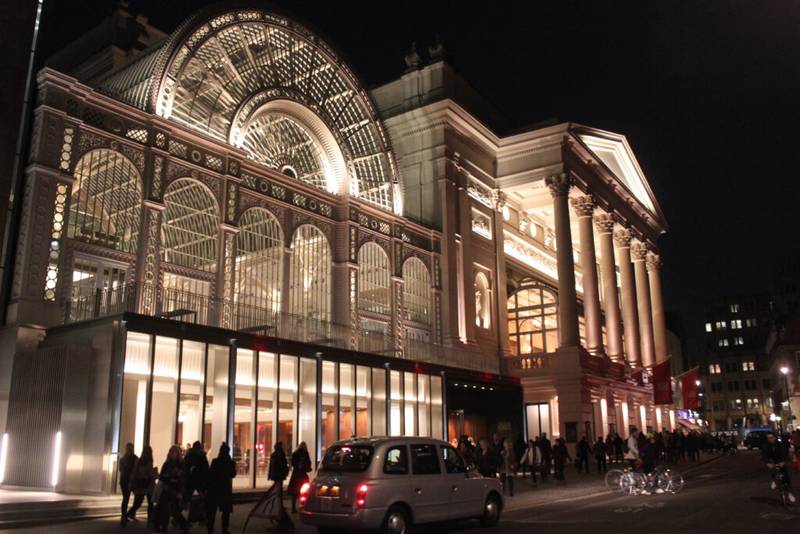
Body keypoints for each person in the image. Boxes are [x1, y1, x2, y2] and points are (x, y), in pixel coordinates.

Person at [157, 445, 188, 534]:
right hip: (167, 489)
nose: (172, 453)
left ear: (178, 453)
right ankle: (164, 527)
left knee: (175, 511)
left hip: (176, 490)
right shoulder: (166, 464)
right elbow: (162, 476)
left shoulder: (181, 464)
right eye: (171, 451)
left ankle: (184, 525)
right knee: (164, 508)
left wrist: (175, 479)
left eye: (174, 452)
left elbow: (183, 477)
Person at [207, 442, 236, 534]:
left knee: (212, 512)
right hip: (225, 489)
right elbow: (233, 474)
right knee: (225, 512)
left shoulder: (215, 461)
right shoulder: (230, 462)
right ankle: (224, 530)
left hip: (214, 489)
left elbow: (211, 474)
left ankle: (210, 530)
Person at [763, 432, 796, 503]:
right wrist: (767, 463)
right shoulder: (766, 446)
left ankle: (790, 494)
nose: (770, 439)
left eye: (771, 437)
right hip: (772, 461)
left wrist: (783, 461)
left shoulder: (780, 444)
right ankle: (774, 479)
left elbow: (785, 453)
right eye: (768, 438)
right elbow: (764, 455)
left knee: (786, 479)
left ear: (775, 437)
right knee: (773, 470)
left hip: (781, 461)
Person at [127, 445, 156, 524]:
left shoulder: (139, 461)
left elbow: (134, 472)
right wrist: (154, 472)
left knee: (138, 502)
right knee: (150, 503)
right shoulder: (149, 462)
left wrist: (132, 482)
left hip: (140, 484)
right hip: (148, 484)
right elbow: (149, 473)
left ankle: (128, 515)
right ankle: (150, 519)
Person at [183, 441, 209, 523]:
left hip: (191, 480)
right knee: (203, 498)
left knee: (187, 498)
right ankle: (201, 518)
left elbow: (186, 468)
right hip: (199, 481)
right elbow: (206, 469)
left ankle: (179, 519)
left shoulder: (189, 455)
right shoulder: (201, 456)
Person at [288, 442, 312, 513]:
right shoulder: (305, 453)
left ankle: (293, 508)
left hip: (296, 475)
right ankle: (304, 506)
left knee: (294, 492)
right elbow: (308, 463)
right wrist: (308, 469)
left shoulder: (295, 453)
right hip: (303, 475)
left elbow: (292, 463)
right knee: (305, 490)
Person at [119, 443, 138, 527]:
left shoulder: (123, 459)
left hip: (124, 480)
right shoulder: (135, 458)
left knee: (125, 498)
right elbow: (135, 470)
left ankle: (124, 516)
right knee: (134, 497)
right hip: (131, 480)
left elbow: (120, 470)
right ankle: (127, 515)